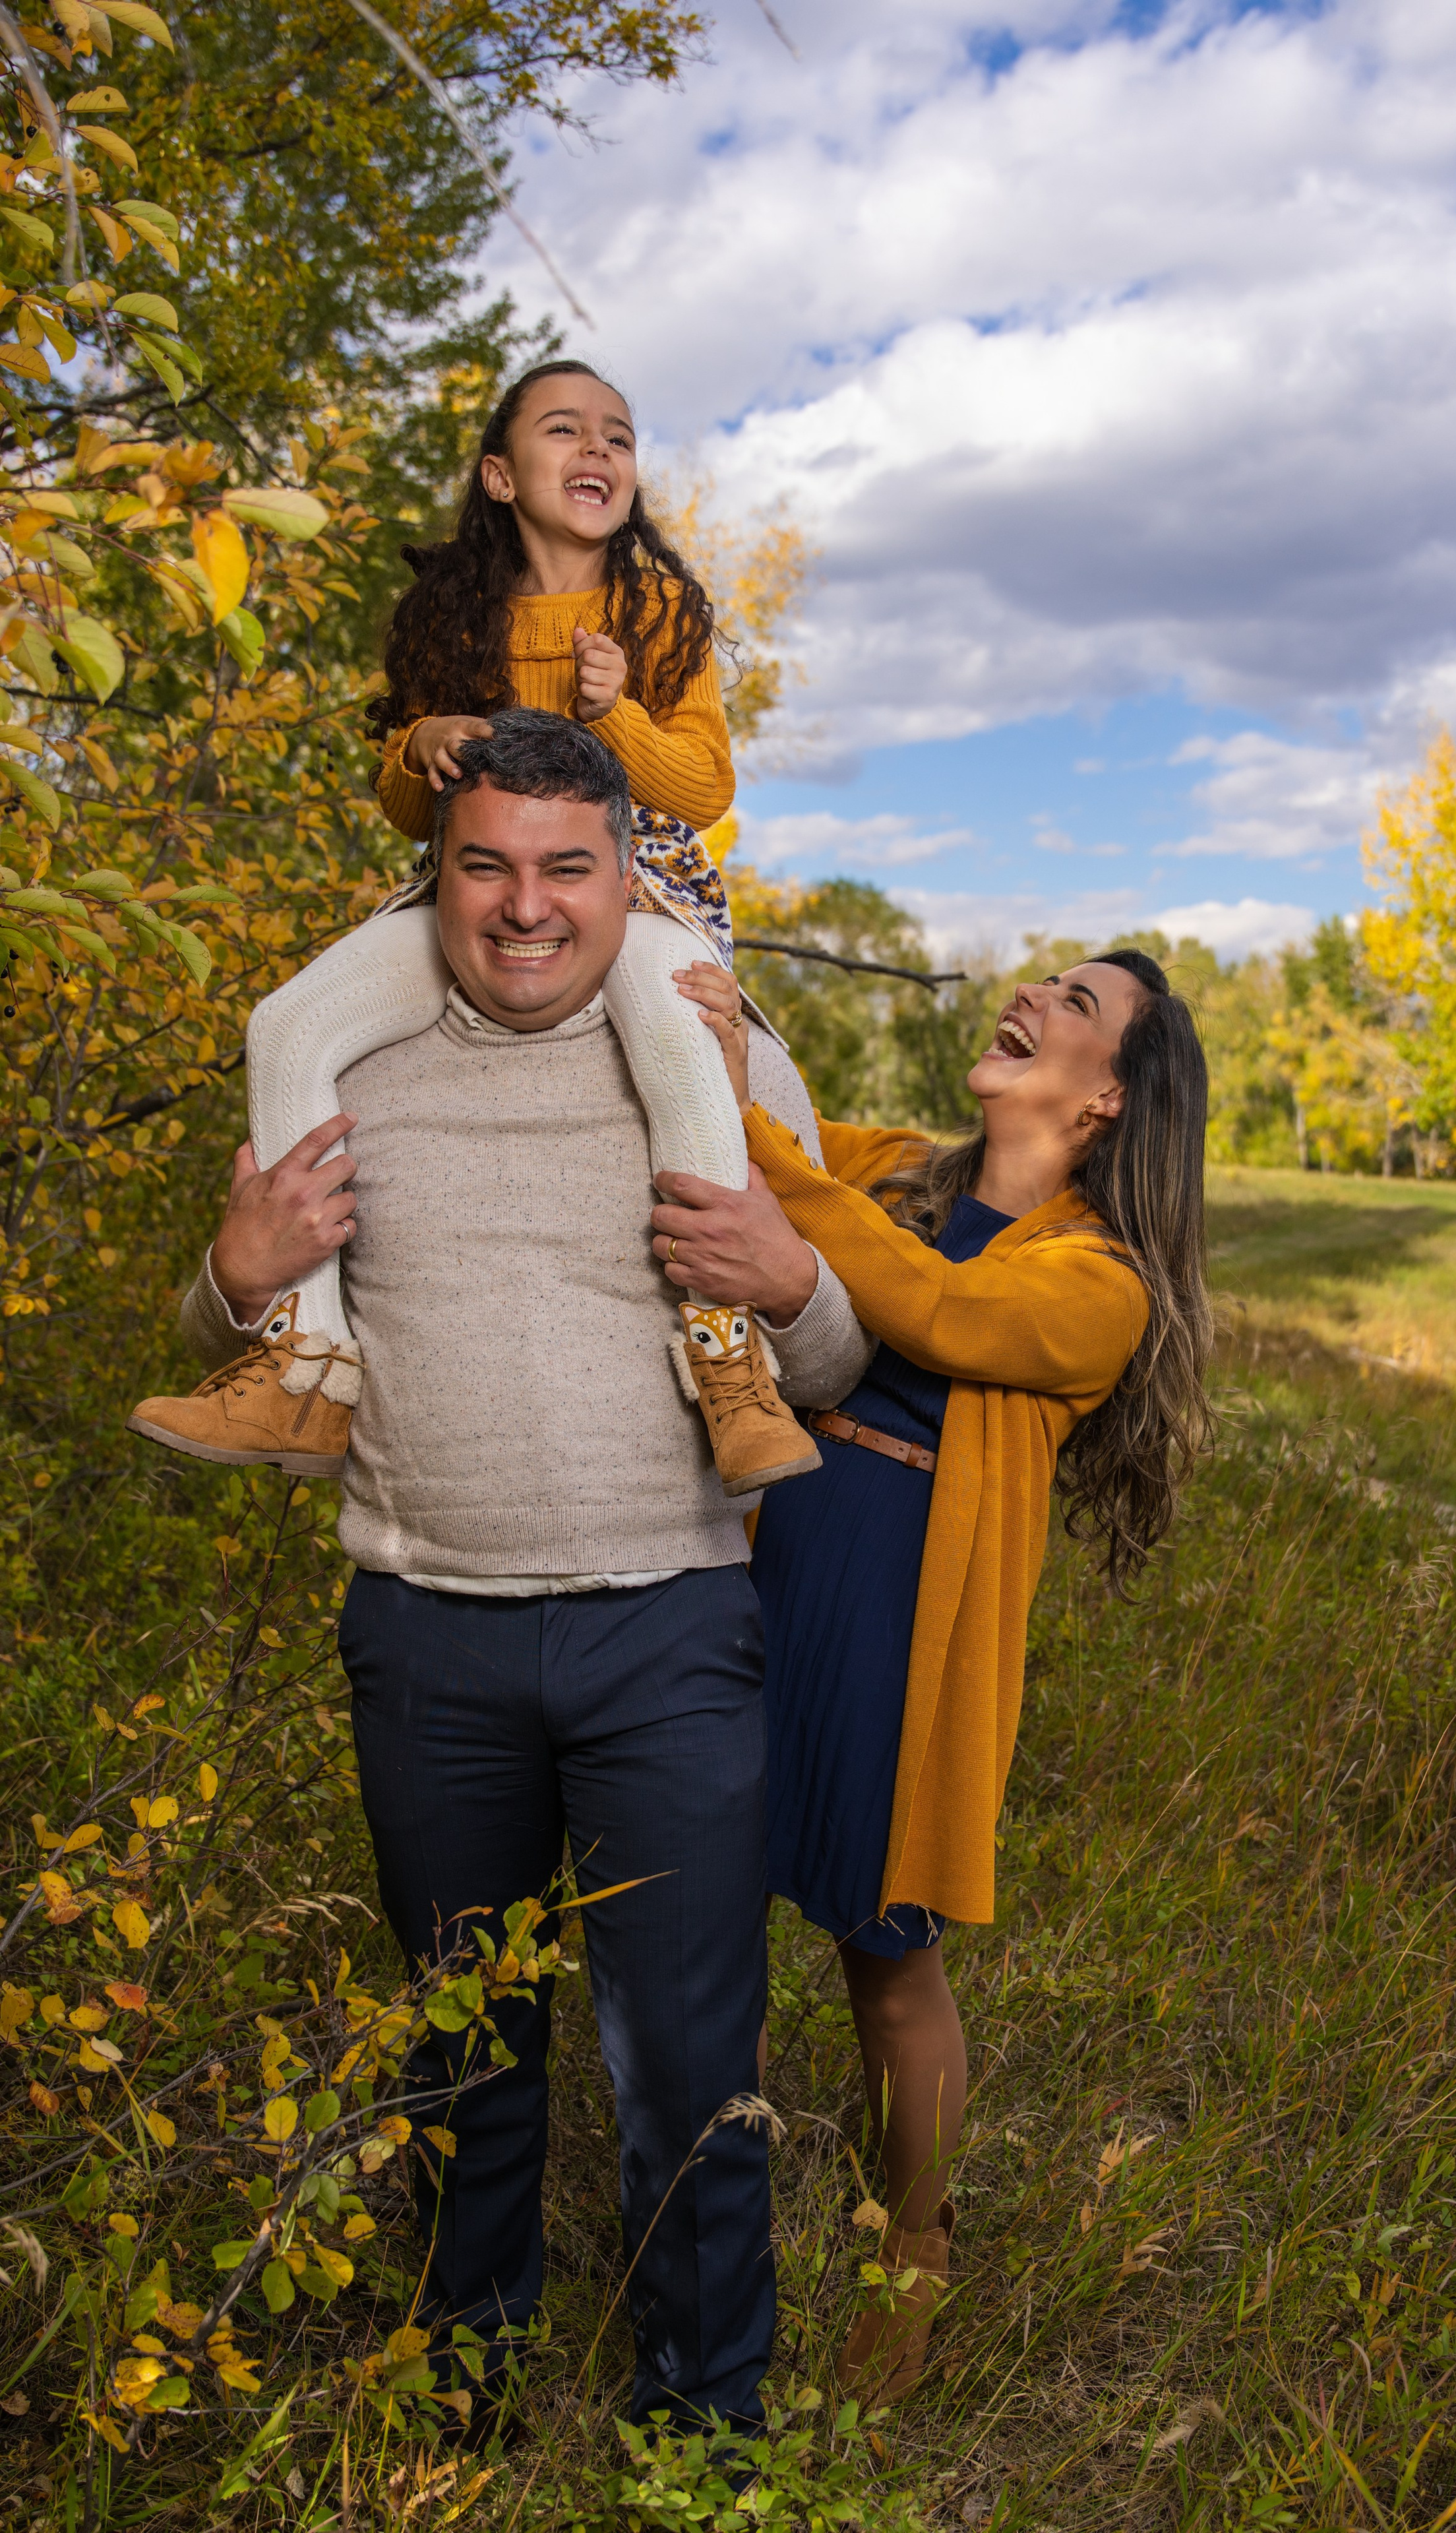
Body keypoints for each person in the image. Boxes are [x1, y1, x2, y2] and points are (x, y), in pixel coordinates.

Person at [133, 714, 874, 2431]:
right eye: (489, 865)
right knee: (461, 2040)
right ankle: (465, 2371)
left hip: (671, 1631)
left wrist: (790, 1277)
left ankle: (704, 2427)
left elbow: (828, 1371)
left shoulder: (723, 1057)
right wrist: (234, 1275)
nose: (526, 907)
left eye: (568, 867)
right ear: (435, 877)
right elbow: (234, 1335)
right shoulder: (346, 1064)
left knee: (689, 2064)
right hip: (424, 1636)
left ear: (632, 876)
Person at [657, 945, 1213, 2402]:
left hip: (902, 1622)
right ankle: (692, 2204)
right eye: (1041, 980)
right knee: (693, 1882)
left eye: (1075, 1006)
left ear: (1106, 1099)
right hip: (762, 1552)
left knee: (882, 1946)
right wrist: (696, 985)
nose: (1034, 995)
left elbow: (920, 1304)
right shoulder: (903, 1167)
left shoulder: (1097, 1285)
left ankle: (915, 2245)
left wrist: (771, 1157)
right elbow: (766, 1133)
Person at [127, 358, 818, 1499]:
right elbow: (408, 806)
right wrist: (423, 744)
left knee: (677, 1024)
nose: (597, 451)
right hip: (478, 891)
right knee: (289, 1022)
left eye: (620, 436)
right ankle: (304, 1358)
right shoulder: (450, 618)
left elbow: (703, 789)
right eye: (565, 430)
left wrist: (621, 717)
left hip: (642, 887)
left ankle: (727, 1357)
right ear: (502, 473)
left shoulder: (660, 613)